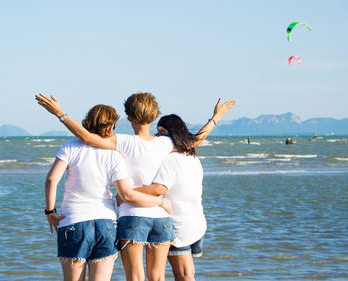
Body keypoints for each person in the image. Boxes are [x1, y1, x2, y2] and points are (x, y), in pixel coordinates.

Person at [36, 92, 234, 281]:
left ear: (129, 117)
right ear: (155, 116)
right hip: (160, 217)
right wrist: (216, 117)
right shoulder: (165, 142)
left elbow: (87, 138)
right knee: (157, 277)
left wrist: (61, 114)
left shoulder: (122, 142)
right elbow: (196, 139)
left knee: (135, 277)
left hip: (132, 216)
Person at [45, 104, 172, 281]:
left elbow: (52, 179)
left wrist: (50, 212)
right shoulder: (115, 155)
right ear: (111, 127)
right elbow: (126, 193)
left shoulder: (70, 146)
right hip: (106, 223)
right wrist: (160, 202)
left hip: (73, 221)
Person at [135, 114, 208, 281]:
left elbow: (159, 188)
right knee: (188, 273)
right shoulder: (192, 156)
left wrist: (129, 192)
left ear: (173, 134)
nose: (158, 137)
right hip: (197, 222)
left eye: (162, 133)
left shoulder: (170, 160)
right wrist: (215, 117)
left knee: (184, 275)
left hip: (178, 224)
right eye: (158, 133)